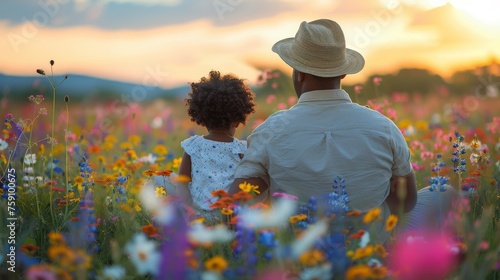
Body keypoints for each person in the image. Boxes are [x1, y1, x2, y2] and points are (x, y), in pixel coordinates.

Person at [228, 19, 456, 243]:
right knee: (445, 191)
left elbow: (237, 200)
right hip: (371, 245)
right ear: (343, 73)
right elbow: (407, 203)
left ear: (298, 73)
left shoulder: (270, 130)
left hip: (298, 249)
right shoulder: (383, 126)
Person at [175, 70, 256, 222]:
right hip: (228, 218)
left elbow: (182, 181)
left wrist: (188, 209)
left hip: (199, 216)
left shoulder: (194, 145)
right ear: (237, 120)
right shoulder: (241, 149)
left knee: (161, 181)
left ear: (201, 117)